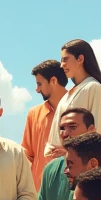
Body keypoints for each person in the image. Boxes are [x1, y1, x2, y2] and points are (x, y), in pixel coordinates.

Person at [45, 39, 101, 163]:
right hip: (65, 165)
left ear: (80, 59)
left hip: (91, 167)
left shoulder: (93, 88)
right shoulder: (68, 95)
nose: (62, 65)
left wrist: (70, 152)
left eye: (65, 59)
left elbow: (99, 131)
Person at [22, 59, 68, 189]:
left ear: (53, 80)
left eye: (39, 84)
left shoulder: (79, 107)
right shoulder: (33, 114)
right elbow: (27, 155)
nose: (37, 90)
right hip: (39, 190)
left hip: (70, 189)